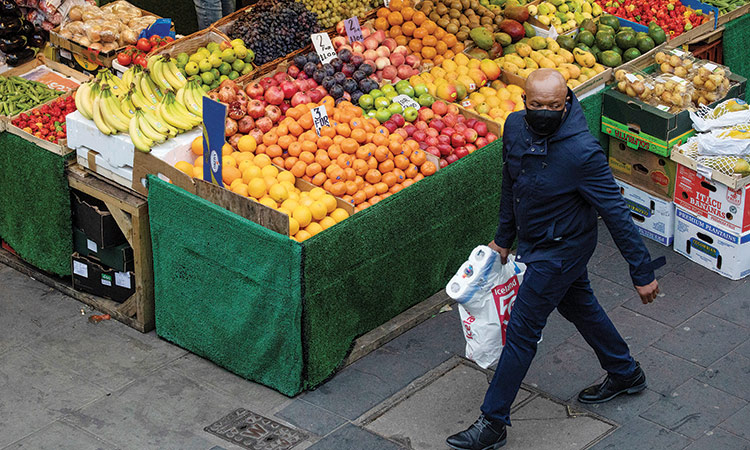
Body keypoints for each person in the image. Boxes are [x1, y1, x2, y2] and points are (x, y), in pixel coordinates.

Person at [446, 69, 665, 450]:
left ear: (566, 104)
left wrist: (641, 271)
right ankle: (625, 372)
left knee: (522, 331)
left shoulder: (583, 151)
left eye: (553, 106)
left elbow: (614, 210)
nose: (544, 111)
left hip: (564, 248)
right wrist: (503, 238)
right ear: (524, 102)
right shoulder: (514, 127)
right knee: (579, 305)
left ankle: (492, 422)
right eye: (537, 105)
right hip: (536, 241)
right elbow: (510, 183)